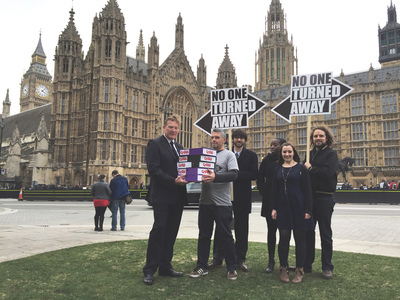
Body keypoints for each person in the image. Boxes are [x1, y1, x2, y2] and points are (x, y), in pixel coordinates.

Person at [142, 115, 188, 286]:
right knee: (159, 231)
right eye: (170, 127)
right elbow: (153, 169)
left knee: (171, 232)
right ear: (163, 127)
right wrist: (172, 180)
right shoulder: (154, 144)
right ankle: (149, 270)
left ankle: (165, 266)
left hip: (177, 196)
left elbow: (183, 168)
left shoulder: (179, 146)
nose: (174, 130)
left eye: (176, 128)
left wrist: (188, 176)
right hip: (162, 195)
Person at [189, 128, 239, 280]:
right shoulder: (205, 155)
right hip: (205, 202)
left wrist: (215, 177)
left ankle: (231, 267)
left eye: (217, 137)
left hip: (222, 204)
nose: (214, 140)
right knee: (204, 235)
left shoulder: (229, 155)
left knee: (226, 236)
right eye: (212, 138)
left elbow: (234, 174)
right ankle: (201, 266)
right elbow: (195, 172)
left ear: (224, 140)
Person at [209, 129, 258, 272]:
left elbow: (254, 174)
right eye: (236, 137)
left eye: (241, 138)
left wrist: (234, 175)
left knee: (242, 229)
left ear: (244, 140)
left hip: (242, 196)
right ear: (232, 139)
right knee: (221, 227)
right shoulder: (225, 154)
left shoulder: (251, 155)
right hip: (224, 196)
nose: (238, 140)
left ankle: (240, 259)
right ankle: (218, 257)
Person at [271, 143, 313, 283]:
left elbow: (307, 190)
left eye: (289, 152)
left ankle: (299, 269)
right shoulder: (277, 168)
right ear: (281, 154)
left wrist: (308, 210)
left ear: (293, 152)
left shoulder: (301, 168)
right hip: (282, 207)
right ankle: (283, 268)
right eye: (284, 152)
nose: (287, 154)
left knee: (300, 239)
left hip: (298, 207)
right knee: (283, 238)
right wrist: (273, 208)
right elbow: (274, 191)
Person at [304, 125, 338, 280]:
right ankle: (307, 264)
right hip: (310, 199)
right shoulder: (309, 154)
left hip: (325, 198)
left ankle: (327, 267)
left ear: (326, 138)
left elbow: (327, 173)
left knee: (325, 234)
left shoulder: (331, 154)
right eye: (315, 136)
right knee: (308, 233)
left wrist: (310, 169)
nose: (317, 138)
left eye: (320, 136)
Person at [257, 137, 286, 273]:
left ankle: (283, 261)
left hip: (284, 201)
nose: (272, 147)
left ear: (282, 146)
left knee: (284, 232)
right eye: (271, 145)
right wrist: (265, 192)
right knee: (271, 232)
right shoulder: (266, 161)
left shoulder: (286, 160)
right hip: (269, 201)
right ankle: (271, 260)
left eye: (275, 145)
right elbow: (259, 179)